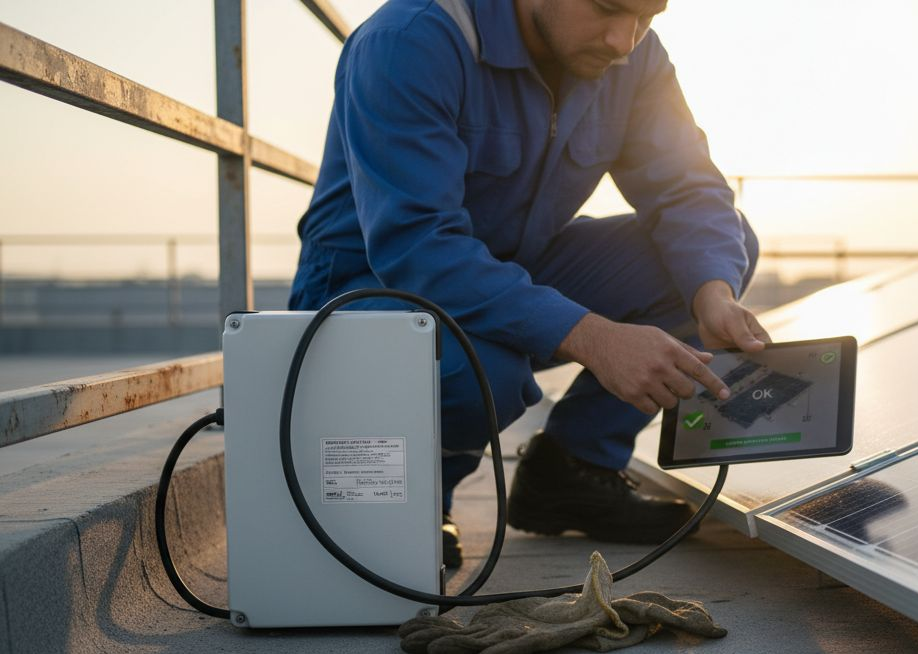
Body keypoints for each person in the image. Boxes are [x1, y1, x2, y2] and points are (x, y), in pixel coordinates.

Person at [289, 0, 770, 568]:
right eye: (608, 9)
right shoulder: (410, 40)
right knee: (480, 371)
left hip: (513, 266)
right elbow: (417, 245)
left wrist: (712, 290)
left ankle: (572, 470)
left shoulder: (633, 58)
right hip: (372, 288)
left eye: (647, 17)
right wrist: (591, 336)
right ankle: (420, 498)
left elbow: (688, 188)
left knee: (706, 257)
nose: (624, 40)